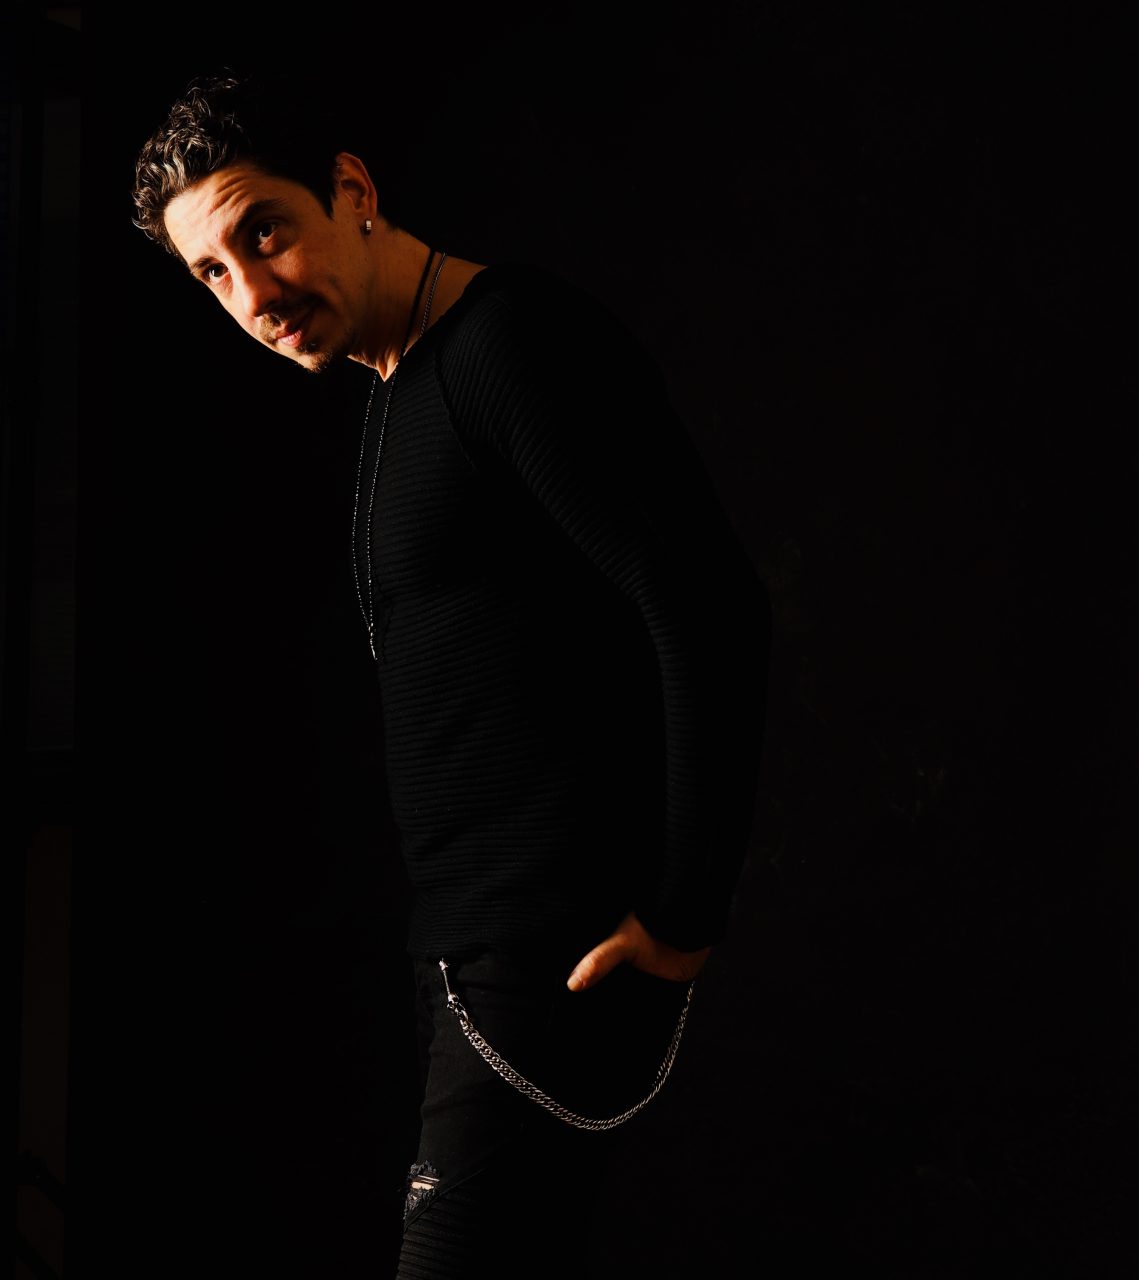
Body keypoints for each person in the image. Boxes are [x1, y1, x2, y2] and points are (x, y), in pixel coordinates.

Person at [130, 66, 772, 1280]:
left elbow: (708, 606)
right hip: (466, 956)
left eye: (264, 232)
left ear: (351, 190)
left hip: (545, 956)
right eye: (211, 272)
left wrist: (686, 909)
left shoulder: (508, 348)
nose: (253, 294)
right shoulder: (396, 379)